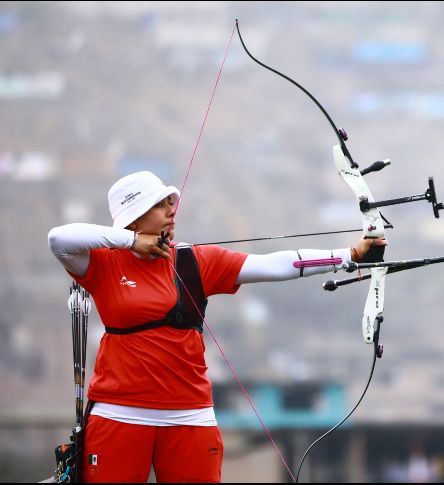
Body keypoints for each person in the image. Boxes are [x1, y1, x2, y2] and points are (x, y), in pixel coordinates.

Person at [47, 171, 385, 483]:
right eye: (160, 204)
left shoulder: (195, 261)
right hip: (118, 413)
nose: (171, 211)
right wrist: (130, 242)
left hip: (190, 415)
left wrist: (350, 255)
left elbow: (275, 264)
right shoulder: (103, 263)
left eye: (171, 203)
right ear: (134, 215)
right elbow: (59, 239)